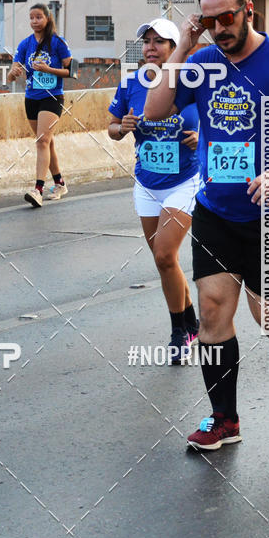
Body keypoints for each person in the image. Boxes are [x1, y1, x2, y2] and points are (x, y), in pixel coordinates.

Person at [145, 0, 269, 450]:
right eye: (210, 21)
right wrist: (183, 46)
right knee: (210, 311)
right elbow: (154, 109)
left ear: (248, 10)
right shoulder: (202, 62)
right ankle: (223, 420)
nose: (220, 28)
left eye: (227, 17)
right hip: (216, 210)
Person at [108, 18, 200, 361]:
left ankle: (179, 332)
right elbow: (112, 127)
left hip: (184, 182)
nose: (150, 47)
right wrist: (122, 127)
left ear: (174, 48)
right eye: (146, 41)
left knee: (164, 255)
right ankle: (191, 323)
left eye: (159, 41)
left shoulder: (192, 80)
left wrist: (201, 138)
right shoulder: (131, 82)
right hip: (147, 183)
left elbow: (219, 120)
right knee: (166, 262)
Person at [8, 3, 72, 207]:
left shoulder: (57, 42)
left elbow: (72, 71)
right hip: (31, 98)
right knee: (46, 141)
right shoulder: (25, 44)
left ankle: (37, 189)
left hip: (52, 97)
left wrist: (48, 68)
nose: (35, 21)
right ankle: (60, 182)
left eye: (38, 17)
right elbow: (12, 72)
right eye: (32, 18)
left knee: (42, 142)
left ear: (47, 18)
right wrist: (13, 73)